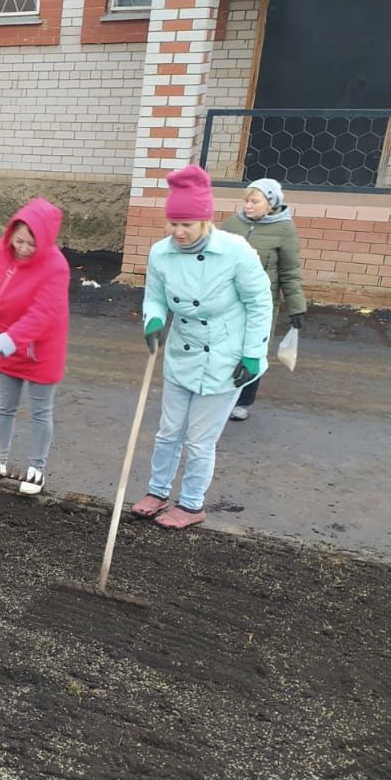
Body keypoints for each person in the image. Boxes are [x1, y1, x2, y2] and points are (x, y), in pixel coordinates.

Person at [130, 165, 273, 529]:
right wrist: (154, 321)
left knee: (199, 439)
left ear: (205, 221)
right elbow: (155, 297)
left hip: (227, 357)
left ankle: (192, 505)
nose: (178, 232)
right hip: (183, 353)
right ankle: (158, 490)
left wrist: (254, 353)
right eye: (173, 223)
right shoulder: (160, 254)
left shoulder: (235, 251)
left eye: (187, 225)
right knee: (168, 431)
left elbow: (260, 302)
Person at [0, 197, 70, 495]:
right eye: (19, 240)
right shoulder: (7, 245)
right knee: (5, 407)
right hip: (7, 341)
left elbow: (41, 316)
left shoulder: (56, 268)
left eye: (31, 244)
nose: (23, 248)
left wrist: (2, 342)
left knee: (40, 411)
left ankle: (36, 468)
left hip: (41, 350)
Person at [220, 177, 306, 421]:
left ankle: (243, 402)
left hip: (262, 303)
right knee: (225, 346)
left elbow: (290, 271)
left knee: (253, 348)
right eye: (246, 200)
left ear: (271, 203)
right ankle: (220, 396)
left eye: (255, 201)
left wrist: (296, 306)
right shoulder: (231, 224)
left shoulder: (284, 230)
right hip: (227, 300)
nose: (248, 205)